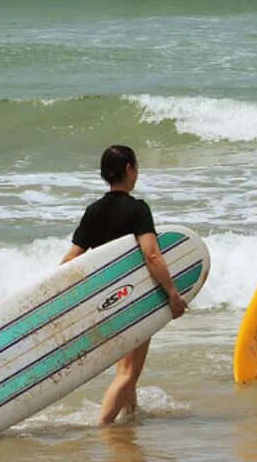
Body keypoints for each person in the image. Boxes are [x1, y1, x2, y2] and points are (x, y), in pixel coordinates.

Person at [63, 145, 190, 425]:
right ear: (129, 169)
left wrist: (61, 301)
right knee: (128, 372)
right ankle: (104, 427)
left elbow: (72, 259)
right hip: (134, 300)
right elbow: (152, 255)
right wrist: (172, 294)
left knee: (126, 367)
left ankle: (131, 418)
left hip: (106, 302)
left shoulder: (93, 211)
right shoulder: (137, 209)